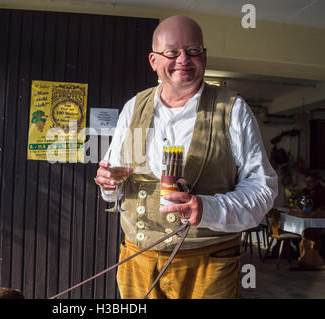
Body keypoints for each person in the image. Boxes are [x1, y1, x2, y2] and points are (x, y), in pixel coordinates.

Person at [94, 15, 278, 299]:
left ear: (203, 56)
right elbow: (116, 184)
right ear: (154, 61)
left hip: (208, 264)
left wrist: (208, 209)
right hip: (138, 262)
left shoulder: (233, 109)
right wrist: (109, 183)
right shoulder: (133, 107)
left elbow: (263, 189)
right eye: (172, 52)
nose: (184, 59)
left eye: (193, 51)